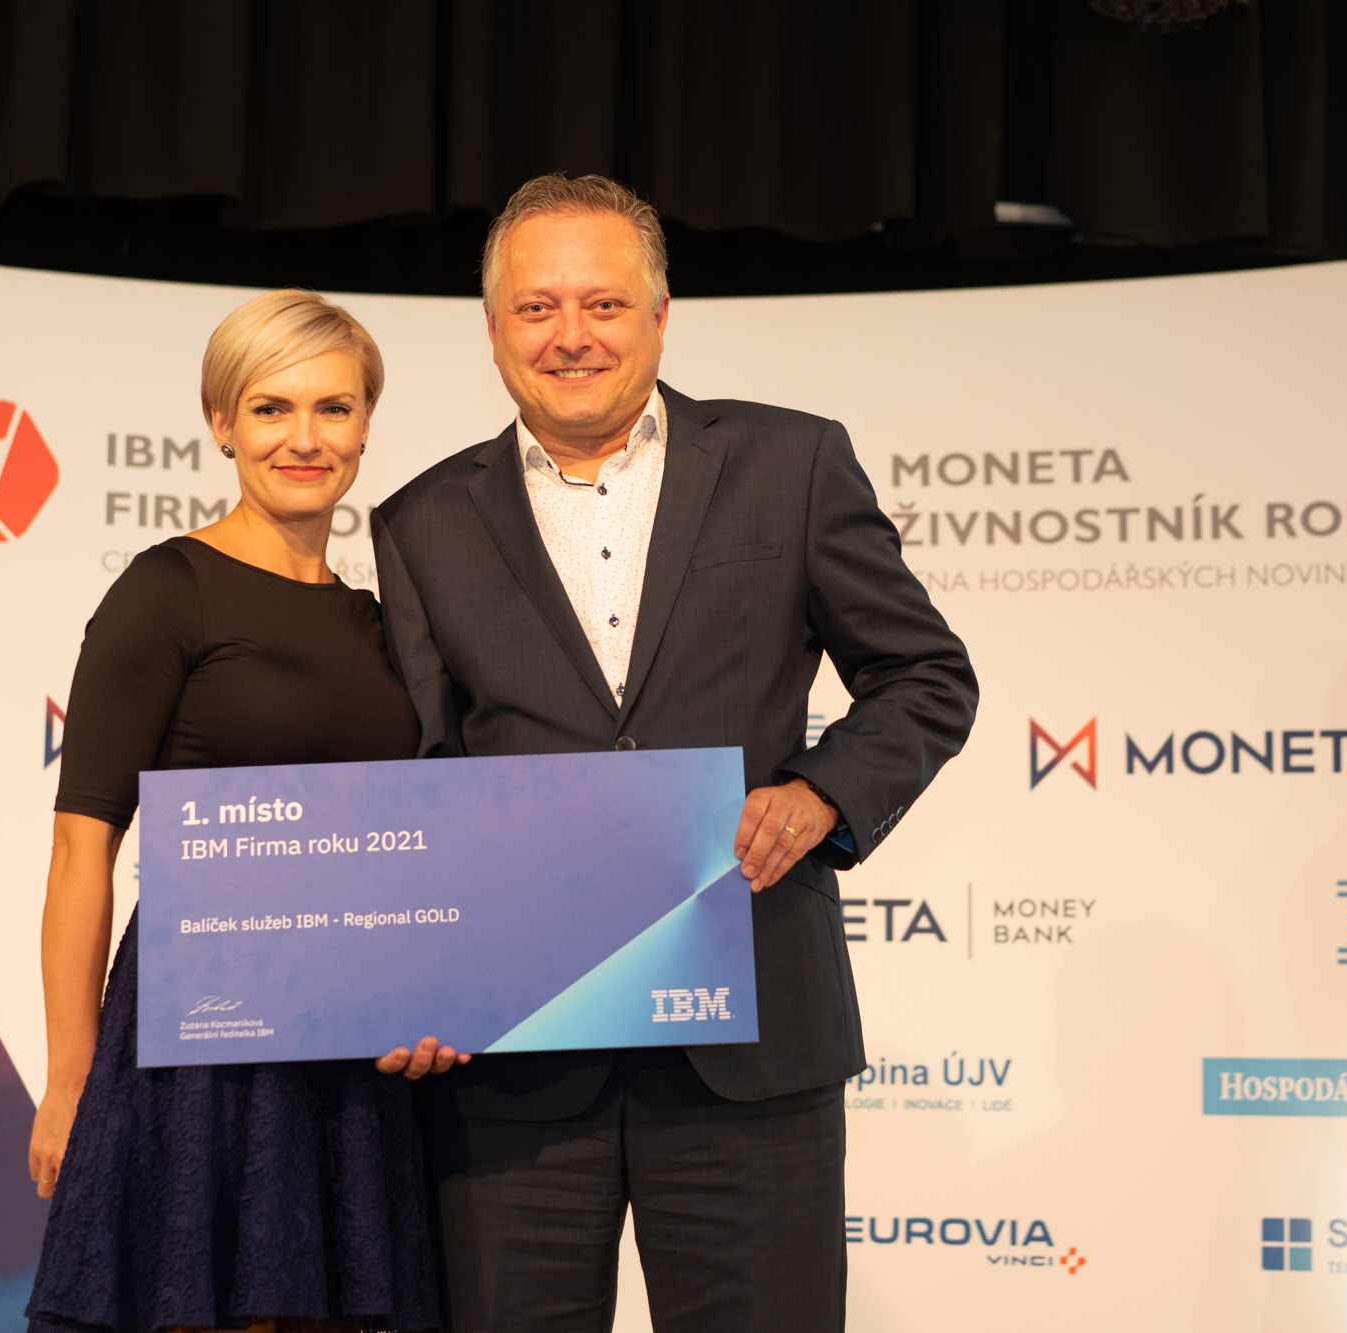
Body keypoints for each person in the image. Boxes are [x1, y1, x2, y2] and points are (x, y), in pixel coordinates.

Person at [371, 174, 978, 1333]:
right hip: (517, 1062)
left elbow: (924, 674)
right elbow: (427, 774)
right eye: (536, 307)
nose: (570, 335)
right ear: (491, 329)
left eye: (602, 303)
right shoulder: (420, 521)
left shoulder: (790, 464)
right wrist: (419, 972)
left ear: (659, 314)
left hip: (749, 1044)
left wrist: (821, 792)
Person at [25, 290, 462, 1333]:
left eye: (332, 408)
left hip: (354, 1052)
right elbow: (81, 847)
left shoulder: (384, 624)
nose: (304, 438)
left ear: (365, 426)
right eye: (271, 408)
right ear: (221, 423)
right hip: (200, 1047)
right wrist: (70, 1081)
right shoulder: (166, 589)